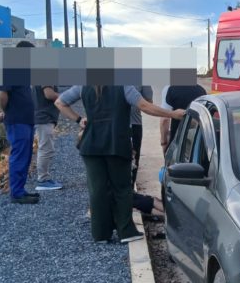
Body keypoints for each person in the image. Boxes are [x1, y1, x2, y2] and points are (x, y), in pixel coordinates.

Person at [55, 85, 185, 244]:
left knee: (97, 190)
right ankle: (126, 231)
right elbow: (145, 106)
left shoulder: (83, 86)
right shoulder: (123, 86)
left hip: (91, 145)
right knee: (122, 188)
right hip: (117, 143)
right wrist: (172, 114)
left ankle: (100, 233)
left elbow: (60, 103)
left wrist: (79, 119)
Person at [0, 40, 38, 204]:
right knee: (19, 156)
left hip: (26, 121)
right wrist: (6, 111)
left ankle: (20, 190)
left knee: (26, 156)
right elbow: (2, 94)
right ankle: (17, 193)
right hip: (17, 121)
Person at [160, 83, 207, 153]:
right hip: (196, 142)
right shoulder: (201, 90)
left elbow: (165, 119)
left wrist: (164, 142)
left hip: (176, 143)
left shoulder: (170, 89)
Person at [33, 84, 63, 191]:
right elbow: (49, 94)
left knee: (45, 148)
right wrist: (65, 97)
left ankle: (44, 178)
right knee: (46, 149)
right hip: (44, 117)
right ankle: (43, 180)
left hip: (42, 117)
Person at [130, 85, 154, 186]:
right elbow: (148, 103)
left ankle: (130, 190)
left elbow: (148, 103)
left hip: (134, 124)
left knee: (134, 159)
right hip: (130, 124)